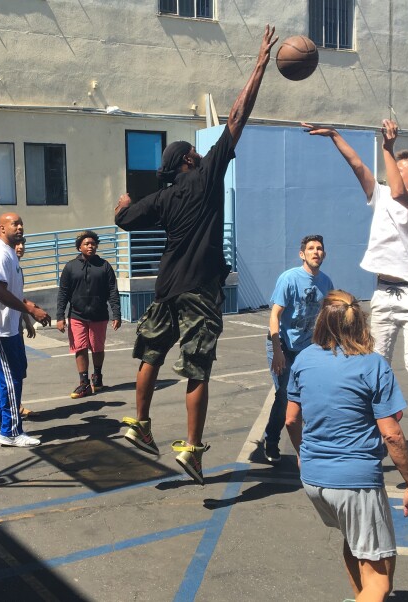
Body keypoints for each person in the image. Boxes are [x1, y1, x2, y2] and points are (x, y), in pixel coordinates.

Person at [114, 25, 279, 484]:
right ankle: (190, 446)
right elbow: (237, 115)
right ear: (190, 159)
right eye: (195, 152)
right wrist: (260, 63)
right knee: (197, 366)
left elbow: (123, 218)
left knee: (151, 353)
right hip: (200, 290)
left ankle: (141, 422)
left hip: (165, 288)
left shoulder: (162, 198)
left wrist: (125, 204)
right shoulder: (205, 176)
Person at [303, 119, 408, 466]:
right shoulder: (382, 195)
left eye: (398, 169)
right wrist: (335, 137)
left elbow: (401, 194)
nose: (390, 174)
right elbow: (358, 166)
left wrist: (388, 147)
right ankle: (380, 423)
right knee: (375, 363)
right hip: (385, 293)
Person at [285, 290, 408, 602]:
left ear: (321, 322)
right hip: (355, 483)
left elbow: (292, 420)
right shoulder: (373, 365)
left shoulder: (304, 359)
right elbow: (392, 435)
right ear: (360, 323)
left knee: (355, 542)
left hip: (314, 478)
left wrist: (301, 454)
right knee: (380, 582)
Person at [0, 213, 51, 447]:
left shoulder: (10, 255)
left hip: (8, 328)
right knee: (10, 380)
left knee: (13, 374)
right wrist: (31, 310)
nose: (19, 227)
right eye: (14, 224)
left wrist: (27, 311)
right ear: (1, 228)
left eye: (21, 223)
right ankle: (10, 432)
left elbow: (14, 293)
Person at [264, 234, 334, 464]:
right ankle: (272, 439)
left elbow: (328, 317)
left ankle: (311, 445)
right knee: (285, 395)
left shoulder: (326, 282)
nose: (316, 252)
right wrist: (277, 351)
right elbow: (275, 315)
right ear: (302, 254)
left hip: (308, 347)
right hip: (282, 344)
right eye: (311, 248)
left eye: (320, 248)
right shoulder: (289, 279)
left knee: (312, 394)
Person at [56, 230, 121, 398]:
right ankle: (83, 382)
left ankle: (97, 376)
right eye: (86, 244)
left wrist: (117, 314)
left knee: (97, 348)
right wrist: (60, 316)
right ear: (79, 247)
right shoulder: (70, 267)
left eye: (93, 243)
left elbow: (113, 291)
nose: (90, 246)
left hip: (99, 315)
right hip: (77, 316)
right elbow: (63, 292)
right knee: (80, 347)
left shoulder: (104, 266)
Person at [0, 238, 37, 418]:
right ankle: (4, 411)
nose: (21, 247)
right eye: (17, 244)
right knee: (3, 373)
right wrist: (30, 312)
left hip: (15, 326)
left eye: (24, 243)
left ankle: (12, 406)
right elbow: (2, 294)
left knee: (17, 368)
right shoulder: (3, 263)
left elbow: (18, 297)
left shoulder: (17, 268)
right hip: (3, 327)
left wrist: (26, 320)